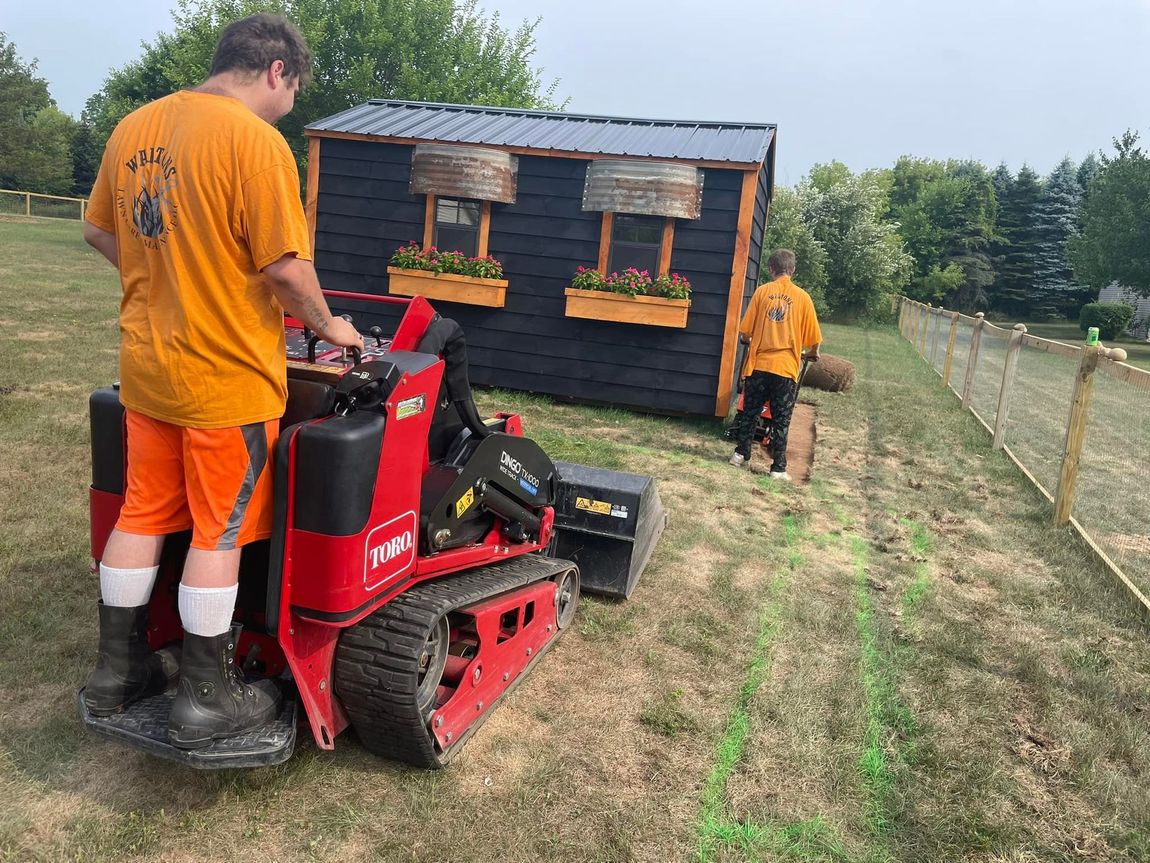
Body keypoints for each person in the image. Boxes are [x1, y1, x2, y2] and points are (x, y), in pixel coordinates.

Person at [81, 14, 363, 748]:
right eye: (293, 93)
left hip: (147, 373)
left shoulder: (134, 128)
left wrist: (161, 280)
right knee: (222, 527)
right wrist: (331, 326)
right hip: (224, 381)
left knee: (141, 511)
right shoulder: (257, 144)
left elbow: (99, 228)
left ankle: (118, 673)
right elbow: (283, 268)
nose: (287, 107)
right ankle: (207, 696)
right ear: (277, 71)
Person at [728, 249, 822, 479]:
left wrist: (751, 339)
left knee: (750, 412)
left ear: (771, 269)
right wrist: (813, 354)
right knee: (781, 419)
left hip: (759, 365)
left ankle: (740, 454)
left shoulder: (762, 292)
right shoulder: (802, 298)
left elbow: (745, 332)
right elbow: (814, 340)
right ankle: (778, 468)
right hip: (786, 368)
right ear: (793, 270)